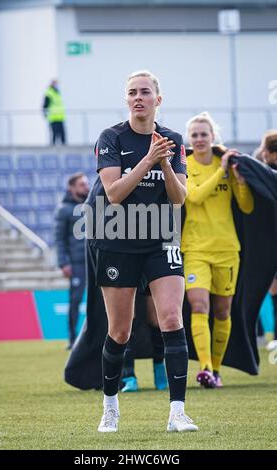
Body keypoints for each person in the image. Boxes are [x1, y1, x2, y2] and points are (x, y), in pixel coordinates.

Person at [94, 70, 198, 433]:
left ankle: (177, 412)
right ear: (127, 100)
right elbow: (114, 193)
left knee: (172, 319)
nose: (138, 98)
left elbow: (180, 197)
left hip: (161, 238)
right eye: (132, 93)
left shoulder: (172, 139)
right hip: (118, 239)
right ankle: (110, 406)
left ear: (158, 99)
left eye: (145, 92)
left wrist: (166, 164)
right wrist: (148, 159)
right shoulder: (111, 137)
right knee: (120, 331)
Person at [182, 112, 254, 389]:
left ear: (213, 138)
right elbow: (196, 196)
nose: (199, 139)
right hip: (196, 249)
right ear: (190, 138)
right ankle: (205, 369)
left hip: (226, 249)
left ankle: (217, 368)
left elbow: (246, 207)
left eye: (204, 134)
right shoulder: (184, 165)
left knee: (223, 313)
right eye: (195, 135)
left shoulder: (226, 165)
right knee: (199, 306)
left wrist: (239, 180)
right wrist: (221, 172)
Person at [54, 172, 89, 349]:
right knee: (75, 300)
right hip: (76, 263)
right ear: (72, 188)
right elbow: (59, 239)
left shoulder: (92, 204)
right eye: (82, 184)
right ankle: (72, 338)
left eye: (86, 184)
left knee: (100, 301)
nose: (86, 187)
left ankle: (94, 337)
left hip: (94, 260)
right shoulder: (64, 209)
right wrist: (63, 263)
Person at [121, 293, 168, 392]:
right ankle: (129, 377)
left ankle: (159, 366)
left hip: (148, 278)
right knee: (128, 319)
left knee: (155, 320)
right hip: (126, 278)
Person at [256, 130, 277, 351]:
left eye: (265, 150)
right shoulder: (261, 170)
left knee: (270, 289)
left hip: (269, 240)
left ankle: (264, 334)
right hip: (269, 240)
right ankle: (263, 333)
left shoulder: (265, 174)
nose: (262, 153)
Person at [43, 79, 66, 145]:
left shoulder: (57, 92)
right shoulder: (49, 93)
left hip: (60, 117)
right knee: (54, 135)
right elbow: (45, 105)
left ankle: (64, 149)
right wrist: (45, 114)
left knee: (62, 135)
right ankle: (53, 150)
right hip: (53, 118)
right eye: (55, 84)